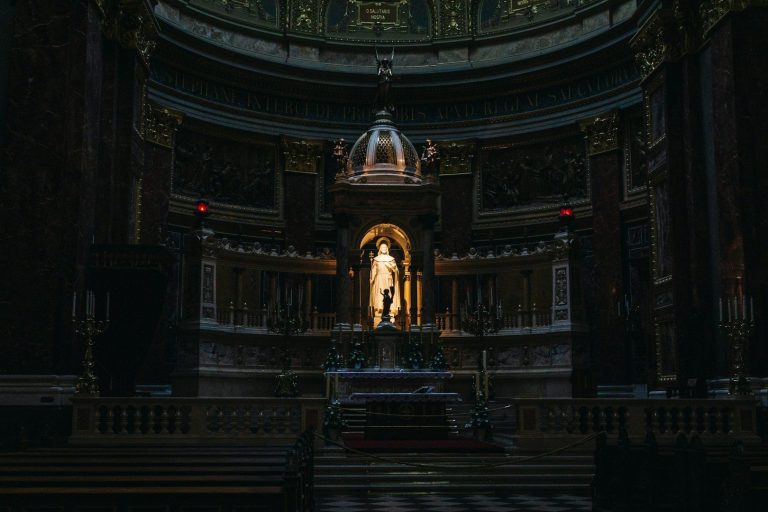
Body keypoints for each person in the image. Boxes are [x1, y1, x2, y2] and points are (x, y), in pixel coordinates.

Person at [370, 238, 399, 320]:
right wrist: (371, 279)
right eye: (382, 247)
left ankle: (389, 311)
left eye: (385, 247)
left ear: (387, 249)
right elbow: (373, 271)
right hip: (379, 279)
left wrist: (392, 267)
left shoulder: (391, 259)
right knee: (379, 295)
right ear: (379, 249)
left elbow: (396, 270)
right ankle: (379, 310)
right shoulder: (376, 259)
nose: (384, 249)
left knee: (389, 294)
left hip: (388, 278)